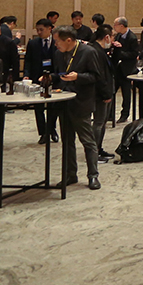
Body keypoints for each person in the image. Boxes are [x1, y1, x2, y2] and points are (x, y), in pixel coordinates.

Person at [54, 25, 102, 190]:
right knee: (67, 142)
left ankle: (93, 176)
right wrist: (50, 78)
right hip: (63, 102)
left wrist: (78, 77)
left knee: (88, 141)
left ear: (68, 40)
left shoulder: (88, 52)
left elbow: (96, 76)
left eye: (57, 41)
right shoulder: (58, 54)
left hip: (81, 103)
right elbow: (59, 74)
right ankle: (70, 174)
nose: (56, 45)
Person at [24, 18, 59, 143]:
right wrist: (26, 75)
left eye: (41, 30)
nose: (39, 32)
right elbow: (28, 61)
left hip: (54, 77)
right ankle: (43, 132)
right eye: (37, 30)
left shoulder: (57, 42)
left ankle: (51, 129)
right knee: (38, 107)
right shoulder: (33, 43)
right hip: (37, 77)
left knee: (53, 107)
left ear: (50, 29)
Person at [91, 24, 117, 162]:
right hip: (100, 93)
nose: (113, 40)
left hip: (106, 90)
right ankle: (94, 152)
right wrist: (106, 94)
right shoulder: (95, 51)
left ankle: (99, 148)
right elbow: (99, 76)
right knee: (99, 122)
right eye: (112, 37)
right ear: (107, 37)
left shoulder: (101, 50)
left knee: (103, 122)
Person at [111, 17, 140, 123]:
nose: (114, 27)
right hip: (117, 68)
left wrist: (120, 53)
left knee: (126, 93)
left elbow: (134, 54)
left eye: (115, 25)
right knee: (112, 91)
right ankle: (110, 113)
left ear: (121, 26)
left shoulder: (132, 37)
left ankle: (125, 114)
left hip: (127, 69)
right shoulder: (118, 36)